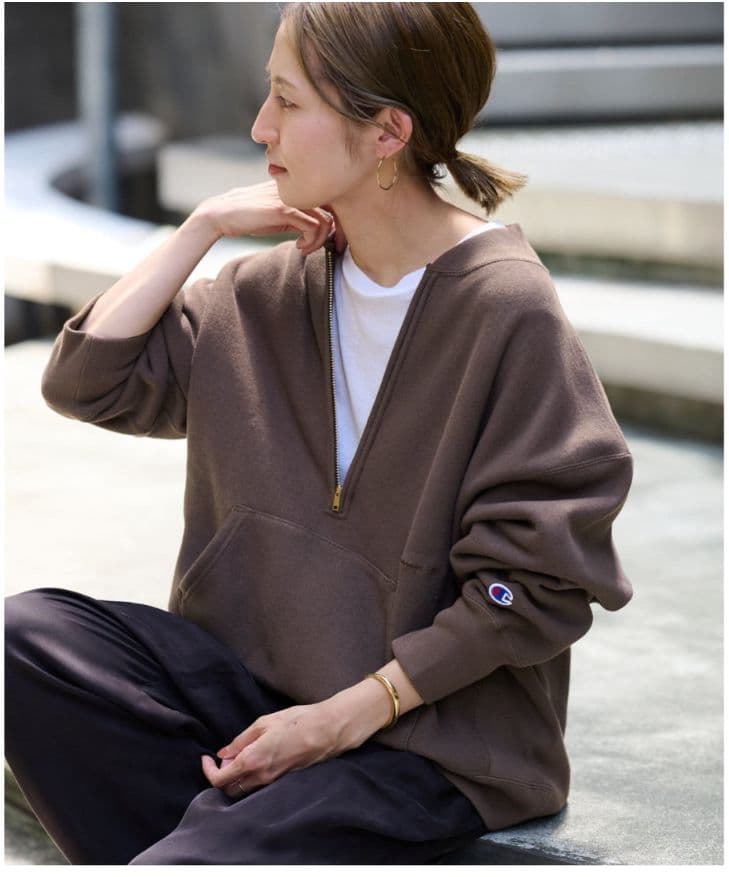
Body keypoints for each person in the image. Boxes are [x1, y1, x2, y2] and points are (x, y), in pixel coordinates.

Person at [5, 1, 634, 866]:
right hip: (255, 696)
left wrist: (346, 715)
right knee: (27, 639)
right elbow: (84, 381)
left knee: (193, 854)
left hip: (421, 741)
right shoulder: (262, 292)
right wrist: (201, 228)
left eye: (288, 101)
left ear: (387, 133)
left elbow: (533, 585)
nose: (260, 126)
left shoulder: (503, 310)